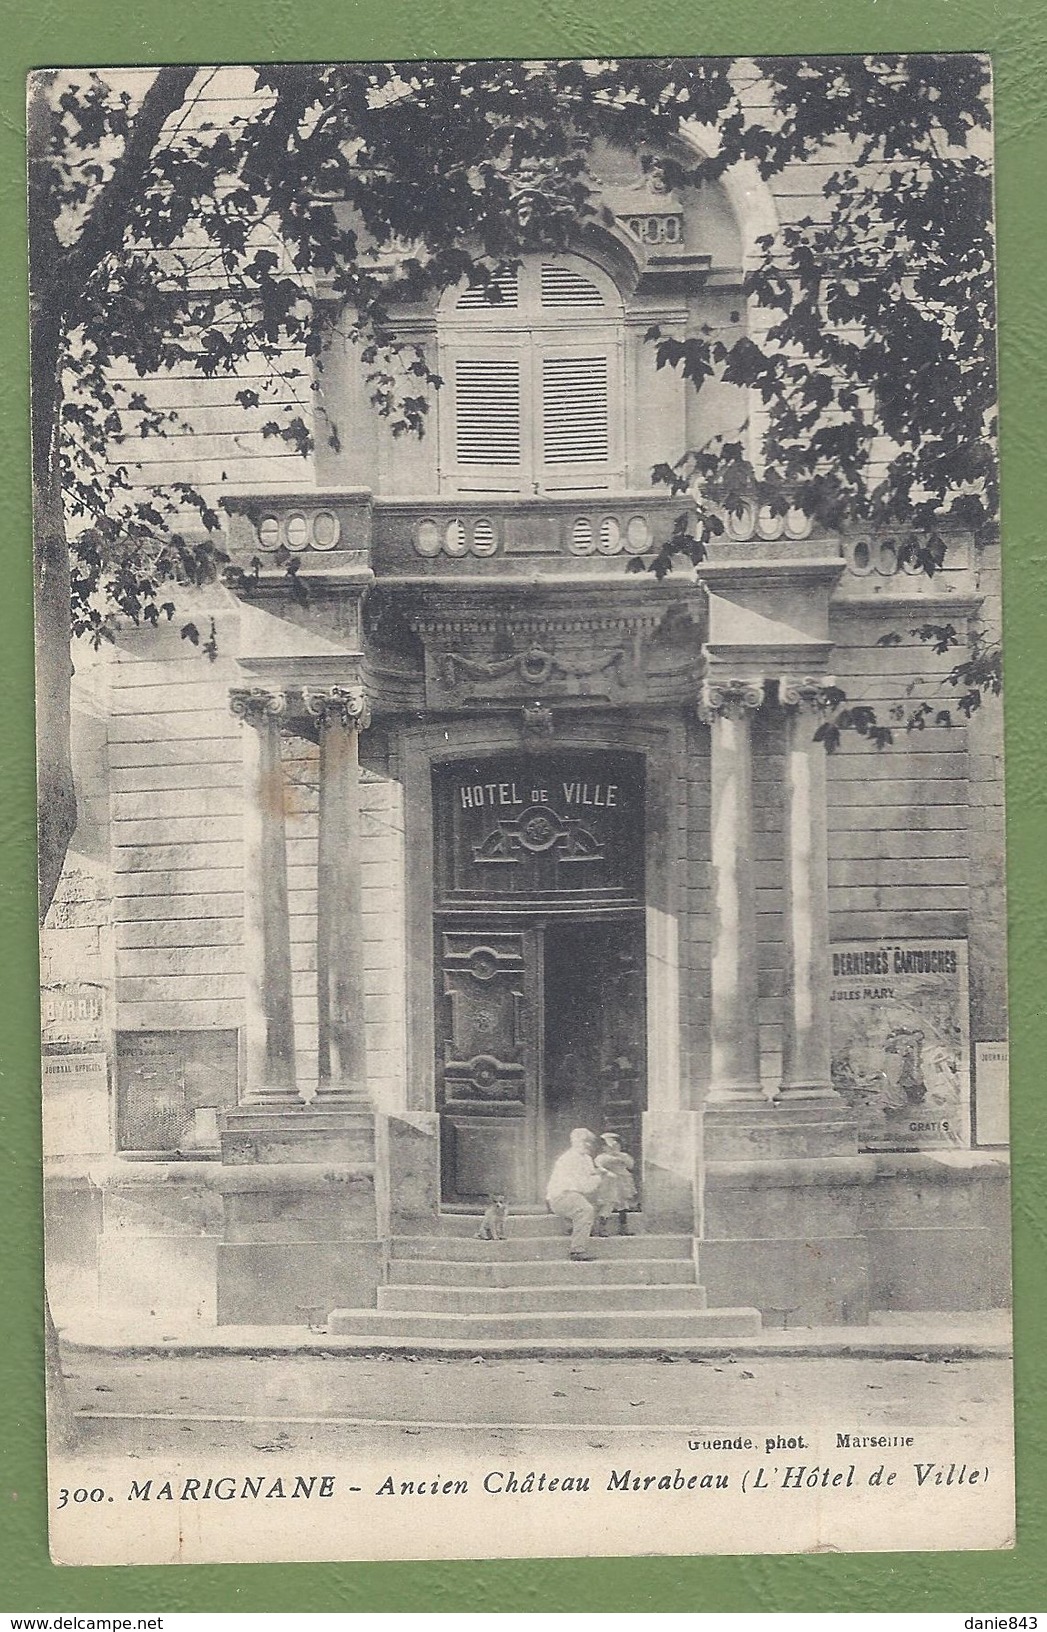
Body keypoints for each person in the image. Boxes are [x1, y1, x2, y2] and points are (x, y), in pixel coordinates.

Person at [545, 1127, 603, 1259]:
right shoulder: (569, 1159)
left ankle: (581, 1227)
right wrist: (599, 1177)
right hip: (561, 1196)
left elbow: (589, 1181)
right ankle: (577, 1250)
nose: (587, 1145)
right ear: (574, 1142)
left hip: (575, 1194)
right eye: (584, 1141)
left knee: (596, 1200)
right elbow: (584, 1186)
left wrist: (596, 1176)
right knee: (585, 1210)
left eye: (590, 1142)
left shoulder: (587, 1158)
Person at [593, 1132, 636, 1235]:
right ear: (604, 1147)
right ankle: (601, 1228)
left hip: (622, 1182)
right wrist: (606, 1171)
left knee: (623, 1205)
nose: (614, 1148)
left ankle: (623, 1228)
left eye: (617, 1145)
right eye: (610, 1146)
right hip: (609, 1182)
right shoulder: (602, 1157)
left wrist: (620, 1157)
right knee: (608, 1203)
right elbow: (599, 1166)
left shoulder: (624, 1156)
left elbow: (630, 1165)